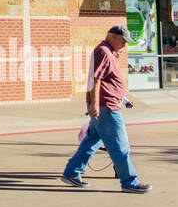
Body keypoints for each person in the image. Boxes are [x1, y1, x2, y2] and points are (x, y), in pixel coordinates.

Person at [61, 25, 151, 193]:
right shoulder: (103, 52)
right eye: (123, 41)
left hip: (106, 105)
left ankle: (72, 173)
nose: (124, 45)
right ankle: (130, 182)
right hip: (107, 108)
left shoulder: (108, 52)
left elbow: (108, 82)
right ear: (113, 37)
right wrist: (94, 104)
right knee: (120, 146)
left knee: (91, 143)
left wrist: (121, 98)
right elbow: (94, 79)